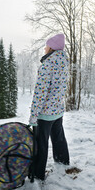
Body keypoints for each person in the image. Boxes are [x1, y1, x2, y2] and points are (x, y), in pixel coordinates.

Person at [29, 33, 70, 181]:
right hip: (58, 109)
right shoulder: (64, 62)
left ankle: (37, 173)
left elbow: (40, 92)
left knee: (41, 143)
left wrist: (34, 115)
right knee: (59, 138)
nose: (45, 48)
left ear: (51, 47)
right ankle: (63, 162)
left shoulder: (47, 65)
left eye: (46, 45)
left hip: (45, 112)